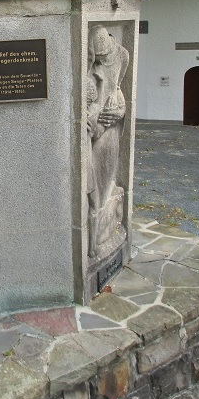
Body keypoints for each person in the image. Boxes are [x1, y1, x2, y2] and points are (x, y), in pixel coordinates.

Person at [87, 25, 129, 257]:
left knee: (105, 182)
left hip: (110, 128)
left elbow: (118, 89)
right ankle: (94, 239)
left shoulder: (123, 55)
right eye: (97, 58)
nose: (100, 63)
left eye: (104, 57)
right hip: (94, 127)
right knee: (93, 187)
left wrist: (120, 112)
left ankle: (101, 234)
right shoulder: (89, 65)